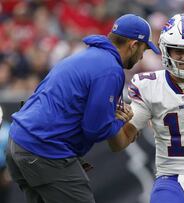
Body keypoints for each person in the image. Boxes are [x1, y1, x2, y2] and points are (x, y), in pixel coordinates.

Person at [5, 14, 160, 203]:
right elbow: (95, 129)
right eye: (143, 49)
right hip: (44, 148)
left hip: (19, 142)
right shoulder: (110, 69)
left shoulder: (87, 56)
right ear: (133, 45)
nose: (142, 56)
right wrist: (119, 120)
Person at [109, 13, 184, 203]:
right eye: (178, 51)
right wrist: (112, 124)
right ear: (166, 50)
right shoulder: (149, 86)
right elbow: (120, 143)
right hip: (170, 176)